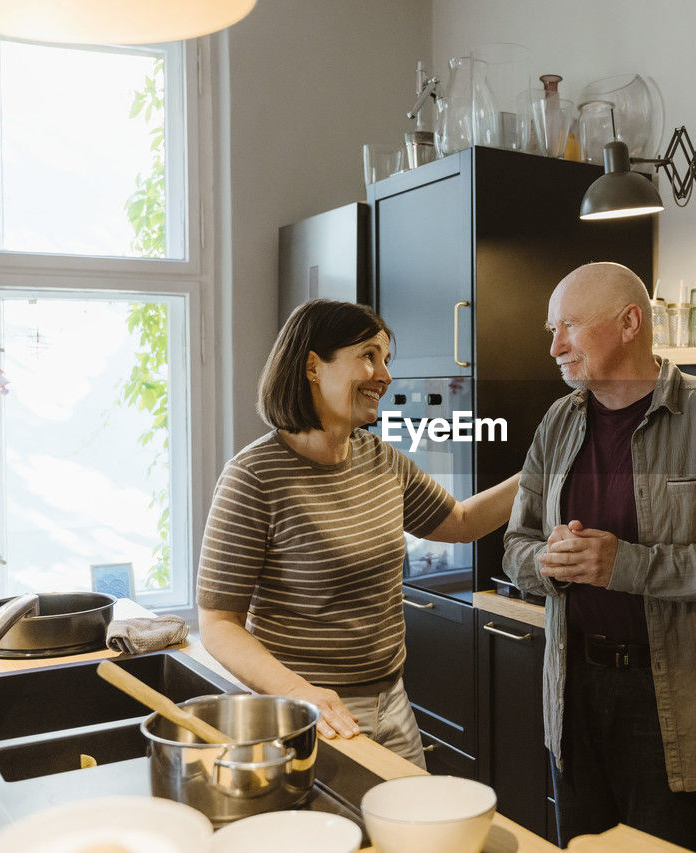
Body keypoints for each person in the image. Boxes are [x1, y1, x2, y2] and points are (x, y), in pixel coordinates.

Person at [501, 262, 696, 848]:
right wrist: (546, 565)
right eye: (552, 330)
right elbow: (515, 545)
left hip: (668, 698)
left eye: (570, 327)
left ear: (630, 323)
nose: (555, 347)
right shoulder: (558, 420)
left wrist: (624, 566)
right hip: (572, 689)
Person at [197, 299, 519, 765]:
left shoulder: (379, 458)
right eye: (369, 356)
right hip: (309, 714)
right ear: (312, 365)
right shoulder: (254, 476)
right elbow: (218, 624)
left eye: (386, 360)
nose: (384, 376)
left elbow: (460, 523)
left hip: (394, 703)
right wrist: (298, 691)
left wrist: (541, 474)